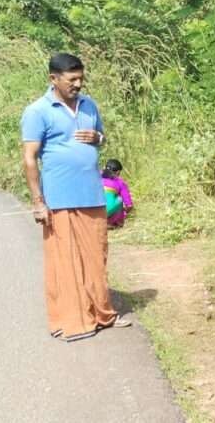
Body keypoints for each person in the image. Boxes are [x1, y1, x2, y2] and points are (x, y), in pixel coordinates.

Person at [21, 53, 131, 342]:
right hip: (59, 198)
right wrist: (38, 201)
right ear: (53, 79)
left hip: (92, 194)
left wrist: (98, 138)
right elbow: (30, 158)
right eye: (72, 80)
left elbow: (102, 138)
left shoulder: (89, 105)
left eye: (81, 78)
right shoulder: (37, 111)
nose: (78, 84)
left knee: (96, 257)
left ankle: (103, 314)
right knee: (64, 261)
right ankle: (70, 321)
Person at [101, 159, 134, 228]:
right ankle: (112, 222)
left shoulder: (96, 176)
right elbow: (129, 205)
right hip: (106, 212)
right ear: (118, 172)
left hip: (91, 210)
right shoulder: (120, 182)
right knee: (119, 199)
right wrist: (125, 212)